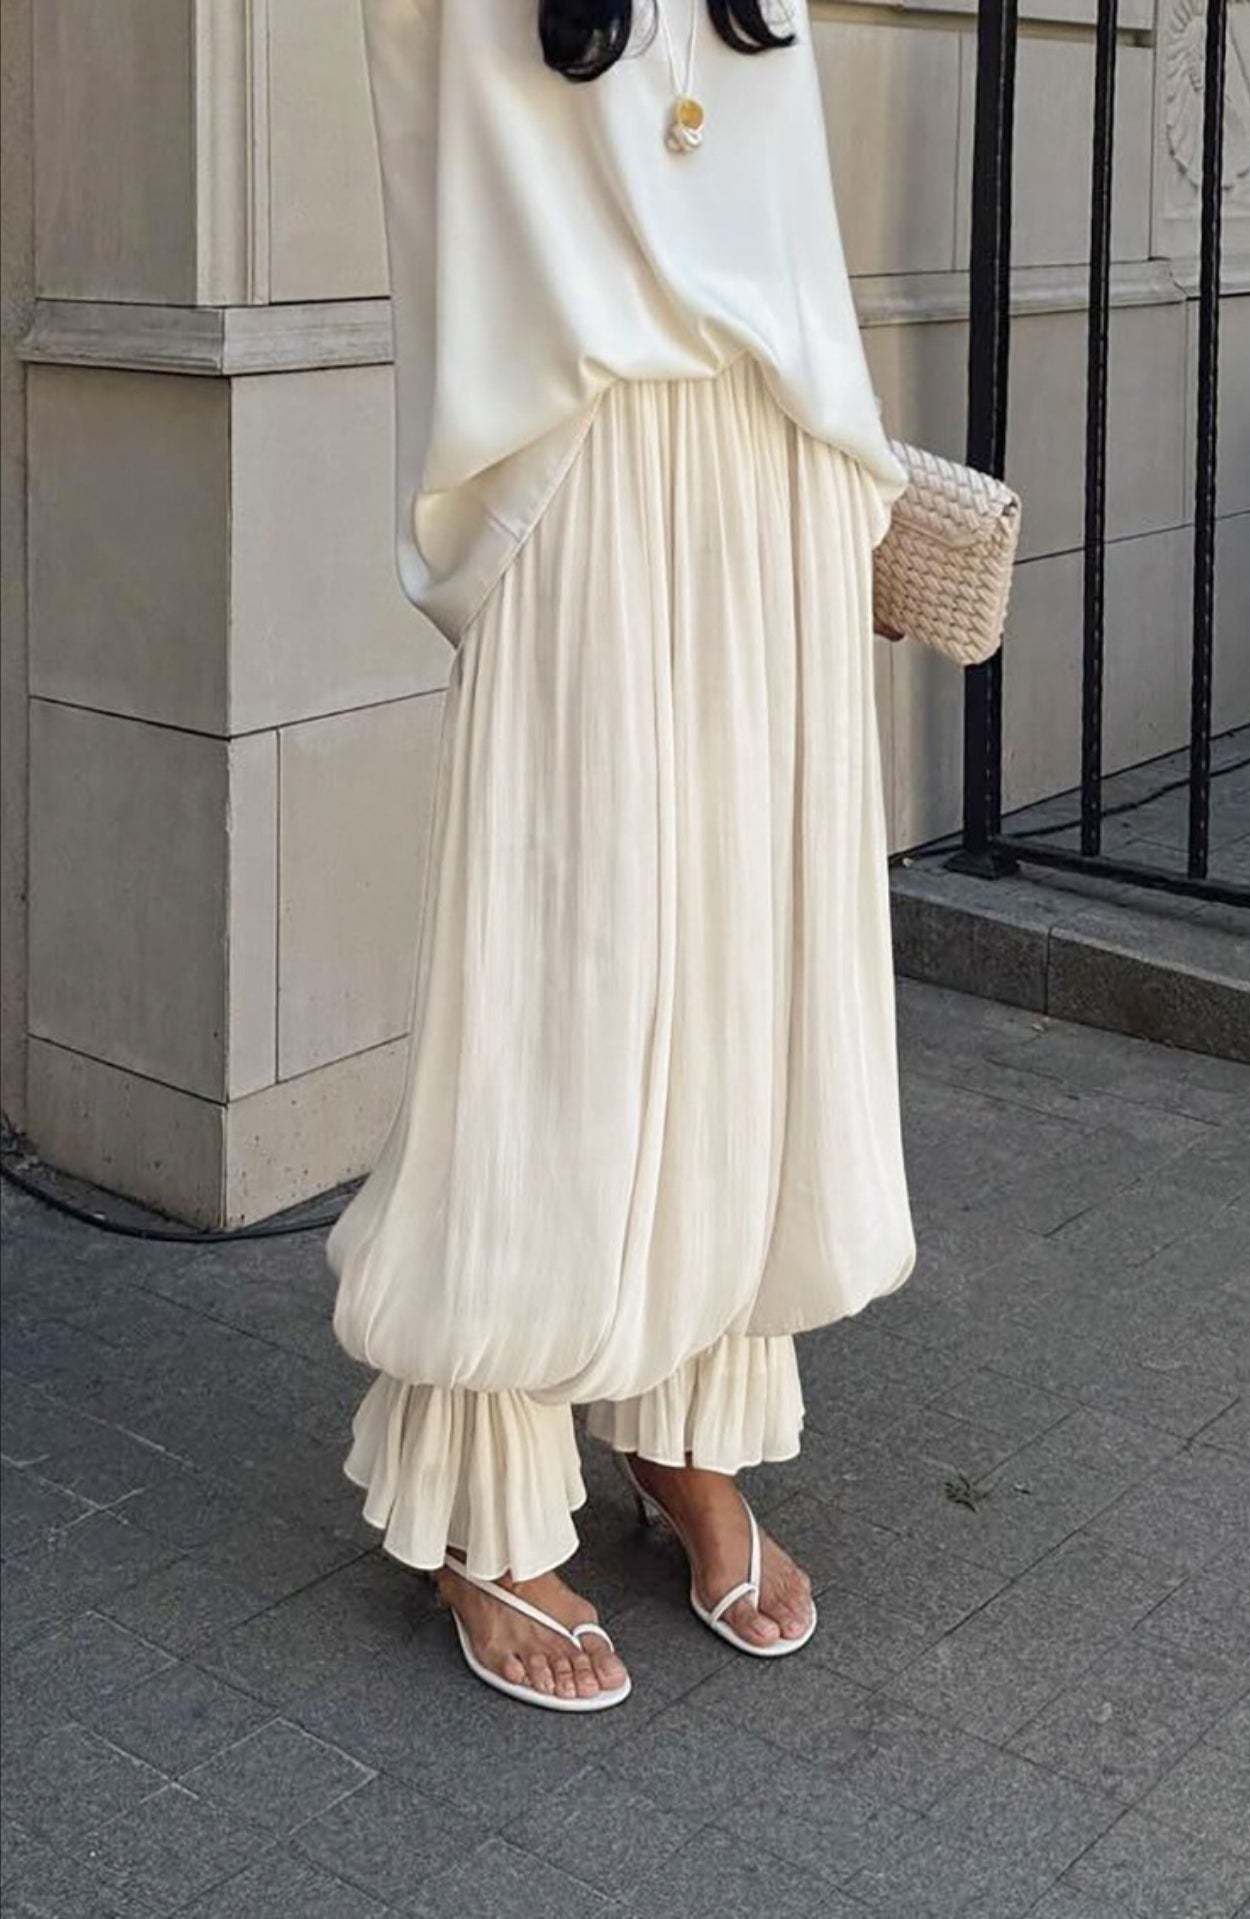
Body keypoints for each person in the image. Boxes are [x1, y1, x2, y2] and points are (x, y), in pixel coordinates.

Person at [327, 0, 916, 1713]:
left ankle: (687, 1429)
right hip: (582, 465)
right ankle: (487, 1496)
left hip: (770, 466)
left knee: (743, 971)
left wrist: (854, 481)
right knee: (561, 978)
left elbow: (784, 210)